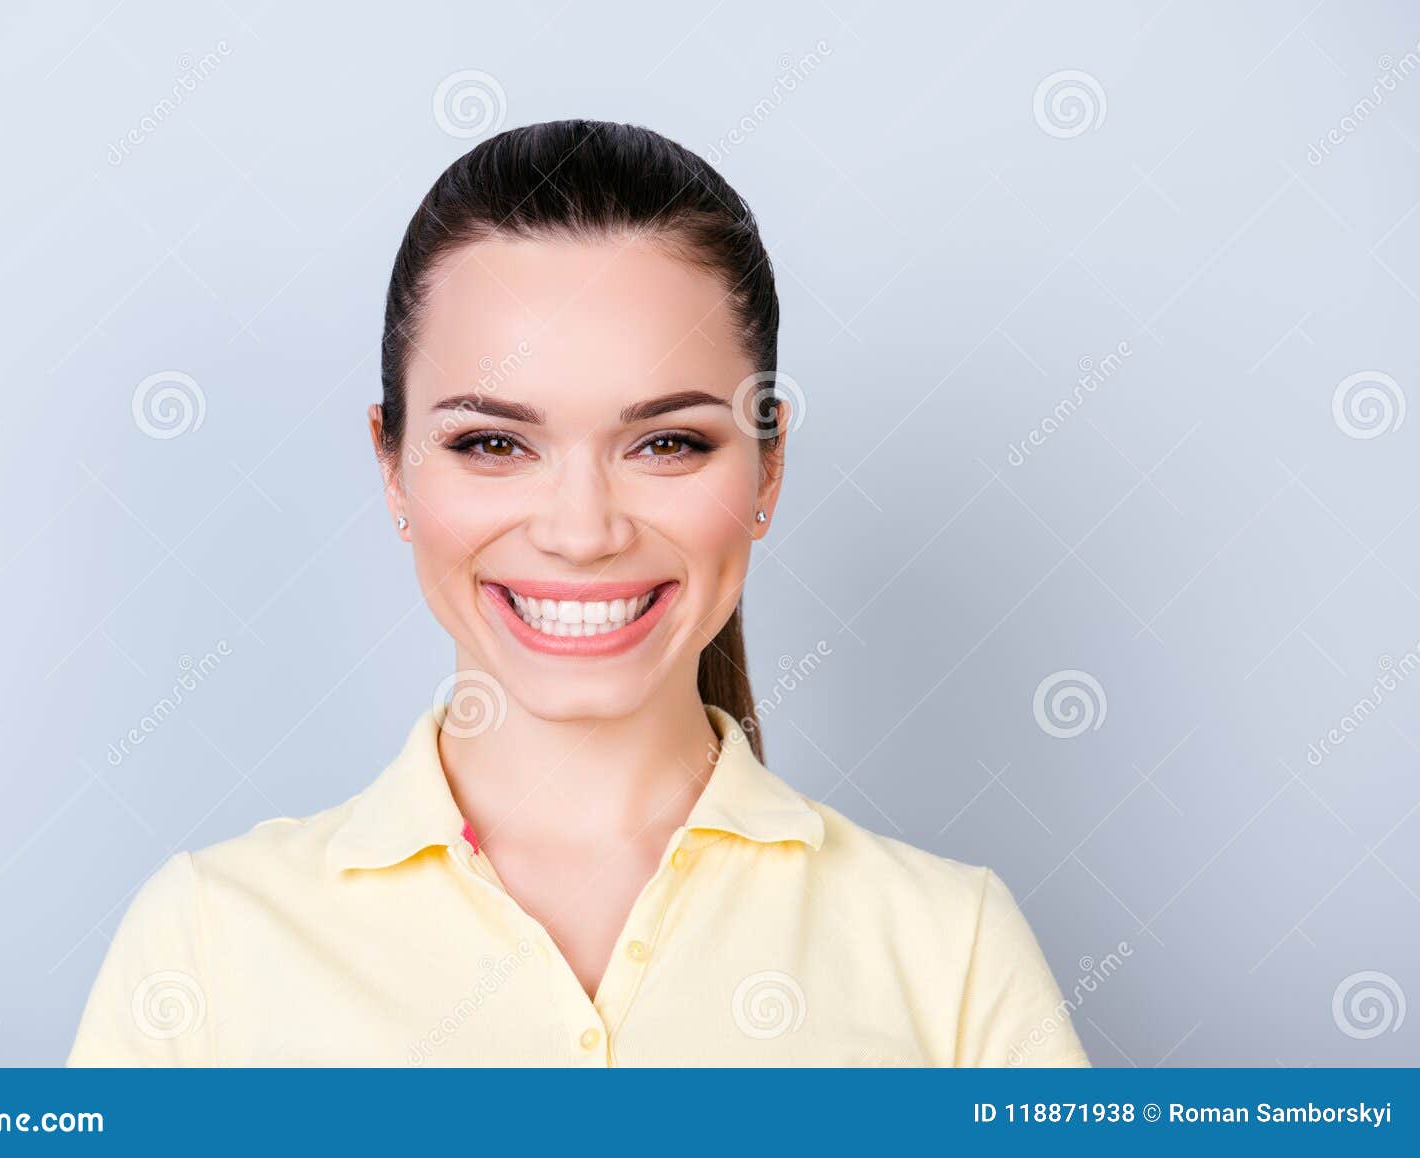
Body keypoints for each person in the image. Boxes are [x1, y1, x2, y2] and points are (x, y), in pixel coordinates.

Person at [67, 119, 1091, 1067]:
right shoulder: (207, 944)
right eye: (494, 443)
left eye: (666, 443)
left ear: (767, 471)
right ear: (394, 470)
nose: (581, 530)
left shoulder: (949, 954)